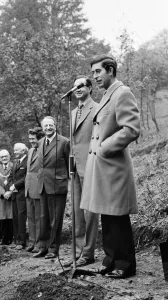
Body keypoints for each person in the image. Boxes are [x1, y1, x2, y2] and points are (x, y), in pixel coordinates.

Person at [80, 55, 140, 279]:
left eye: (98, 72)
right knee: (107, 215)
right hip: (102, 168)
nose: (94, 77)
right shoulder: (107, 94)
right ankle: (110, 259)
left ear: (111, 70)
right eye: (93, 73)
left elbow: (131, 129)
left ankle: (125, 264)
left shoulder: (122, 93)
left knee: (118, 217)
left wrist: (105, 148)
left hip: (114, 167)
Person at [65, 75, 99, 267]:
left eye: (81, 85)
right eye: (74, 86)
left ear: (90, 88)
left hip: (91, 164)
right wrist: (71, 168)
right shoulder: (72, 113)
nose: (77, 88)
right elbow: (73, 143)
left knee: (89, 211)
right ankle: (79, 251)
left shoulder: (97, 108)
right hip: (75, 168)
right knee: (77, 210)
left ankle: (88, 252)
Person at [33, 116, 70, 259]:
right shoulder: (40, 142)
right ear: (42, 128)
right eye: (46, 125)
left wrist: (66, 180)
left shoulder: (64, 142)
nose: (48, 128)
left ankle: (53, 249)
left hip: (57, 185)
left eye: (51, 125)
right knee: (44, 217)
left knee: (56, 219)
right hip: (42, 184)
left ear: (55, 126)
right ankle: (43, 247)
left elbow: (69, 164)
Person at [25, 127, 45, 253]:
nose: (31, 141)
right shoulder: (30, 150)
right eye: (29, 139)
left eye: (33, 139)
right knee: (30, 217)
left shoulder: (44, 149)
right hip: (28, 188)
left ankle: (39, 244)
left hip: (38, 188)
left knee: (39, 218)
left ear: (40, 138)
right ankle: (32, 242)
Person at [6, 143, 28, 250]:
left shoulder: (27, 161)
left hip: (23, 193)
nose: (14, 152)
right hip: (14, 193)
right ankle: (16, 240)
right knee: (15, 216)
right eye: (14, 150)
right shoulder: (15, 162)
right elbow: (10, 177)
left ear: (23, 151)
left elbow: (26, 177)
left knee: (21, 217)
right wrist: (11, 185)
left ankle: (22, 241)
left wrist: (15, 185)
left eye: (16, 150)